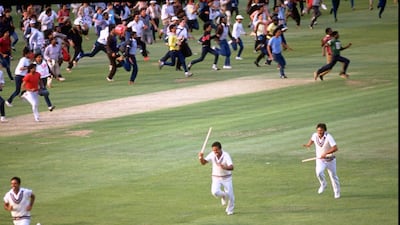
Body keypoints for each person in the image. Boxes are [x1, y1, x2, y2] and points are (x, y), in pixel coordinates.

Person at [303, 123, 341, 199]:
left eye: (321, 130)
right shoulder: (315, 135)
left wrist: (326, 153)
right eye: (318, 130)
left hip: (330, 160)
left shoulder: (329, 137)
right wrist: (308, 144)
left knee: (333, 176)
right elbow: (312, 139)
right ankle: (323, 184)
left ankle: (337, 192)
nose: (319, 132)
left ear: (324, 130)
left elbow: (335, 148)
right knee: (319, 172)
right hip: (320, 160)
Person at [198, 141, 235, 215]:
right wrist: (201, 157)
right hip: (216, 177)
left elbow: (232, 167)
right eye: (214, 150)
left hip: (226, 178)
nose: (215, 152)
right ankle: (223, 195)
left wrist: (225, 167)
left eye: (216, 150)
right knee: (214, 192)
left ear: (221, 149)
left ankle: (230, 210)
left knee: (231, 196)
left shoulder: (226, 155)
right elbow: (203, 163)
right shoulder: (212, 154)